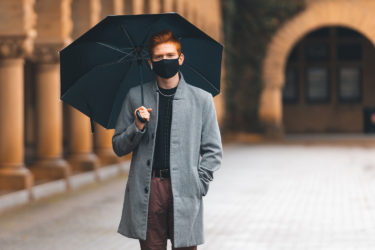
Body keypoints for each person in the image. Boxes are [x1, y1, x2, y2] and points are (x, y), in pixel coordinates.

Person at [112, 29, 223, 250]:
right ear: (151, 62)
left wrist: (199, 183)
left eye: (170, 56)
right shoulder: (136, 96)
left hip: (186, 187)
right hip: (150, 188)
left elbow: (213, 150)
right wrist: (138, 126)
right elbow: (118, 146)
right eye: (159, 57)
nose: (165, 61)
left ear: (180, 58)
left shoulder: (201, 99)